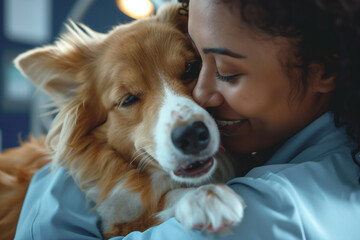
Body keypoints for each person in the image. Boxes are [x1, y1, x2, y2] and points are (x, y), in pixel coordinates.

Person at [15, 0, 360, 239]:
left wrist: (58, 183)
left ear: (323, 69)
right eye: (130, 98)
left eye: (225, 71)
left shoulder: (268, 209)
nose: (200, 96)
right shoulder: (304, 150)